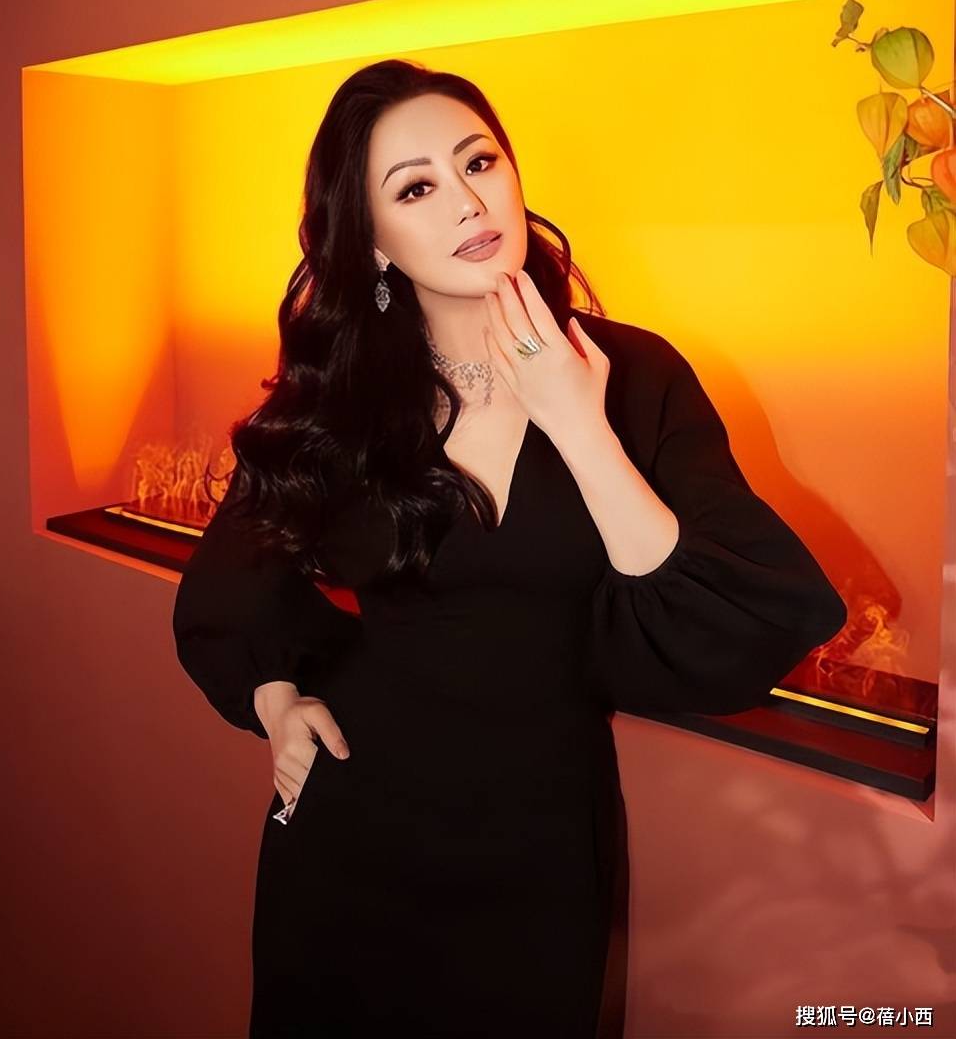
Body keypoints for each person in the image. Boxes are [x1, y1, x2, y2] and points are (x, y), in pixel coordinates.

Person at [172, 58, 847, 1039]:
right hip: (350, 835)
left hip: (538, 849)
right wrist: (277, 702)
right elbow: (225, 592)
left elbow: (739, 627)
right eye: (416, 189)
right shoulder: (343, 398)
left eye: (478, 162)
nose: (467, 200)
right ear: (373, 244)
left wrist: (577, 423)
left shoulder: (634, 374)